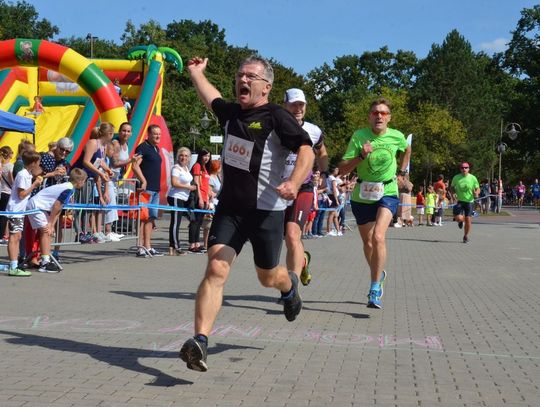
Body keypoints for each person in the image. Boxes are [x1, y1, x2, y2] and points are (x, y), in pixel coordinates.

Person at [179, 55, 314, 372]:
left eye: (250, 76)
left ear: (266, 86)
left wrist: (294, 182)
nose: (243, 80)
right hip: (230, 209)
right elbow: (210, 97)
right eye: (240, 74)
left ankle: (289, 286)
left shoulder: (277, 116)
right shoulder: (231, 114)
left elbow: (306, 149)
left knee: (268, 277)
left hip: (266, 212)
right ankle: (200, 341)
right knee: (216, 269)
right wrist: (196, 72)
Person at [339, 98, 411, 309]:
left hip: (387, 191)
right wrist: (361, 156)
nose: (379, 116)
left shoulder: (396, 136)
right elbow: (343, 169)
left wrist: (402, 172)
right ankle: (378, 275)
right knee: (368, 243)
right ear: (369, 116)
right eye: (375, 113)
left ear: (389, 117)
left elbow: (406, 149)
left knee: (379, 236)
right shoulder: (359, 136)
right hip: (363, 193)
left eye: (383, 113)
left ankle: (374, 288)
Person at [282, 88, 328, 286]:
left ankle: (291, 289)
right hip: (279, 188)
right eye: (293, 104)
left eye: (301, 105)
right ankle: (303, 261)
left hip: (304, 187)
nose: (298, 108)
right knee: (287, 240)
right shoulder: (276, 126)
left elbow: (322, 151)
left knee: (293, 236)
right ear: (285, 105)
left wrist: (323, 174)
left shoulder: (314, 130)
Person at [26, 168, 88, 273]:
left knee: (47, 231)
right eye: (84, 181)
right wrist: (49, 224)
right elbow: (56, 206)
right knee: (46, 232)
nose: (84, 183)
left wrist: (52, 225)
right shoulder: (68, 189)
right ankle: (45, 262)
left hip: (41, 207)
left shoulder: (68, 188)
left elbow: (59, 209)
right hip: (36, 206)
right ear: (80, 181)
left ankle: (44, 259)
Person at [5, 151, 42, 276]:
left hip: (19, 211)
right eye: (38, 162)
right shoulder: (22, 175)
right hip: (15, 210)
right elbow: (21, 194)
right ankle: (13, 266)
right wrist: (34, 185)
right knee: (14, 237)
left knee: (18, 237)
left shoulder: (27, 174)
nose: (39, 164)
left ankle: (15, 264)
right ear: (33, 163)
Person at [131, 124, 163, 257]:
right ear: (148, 134)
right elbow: (134, 165)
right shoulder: (142, 148)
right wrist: (143, 180)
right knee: (142, 218)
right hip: (146, 189)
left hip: (155, 189)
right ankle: (140, 246)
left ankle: (148, 246)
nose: (157, 136)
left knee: (150, 218)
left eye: (159, 134)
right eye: (155, 134)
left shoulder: (156, 148)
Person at [167, 147, 195, 256]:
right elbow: (174, 183)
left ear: (189, 158)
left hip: (183, 198)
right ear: (178, 157)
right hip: (175, 197)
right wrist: (188, 187)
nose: (184, 158)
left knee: (177, 223)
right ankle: (175, 247)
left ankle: (172, 247)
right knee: (175, 223)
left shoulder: (186, 168)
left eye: (186, 156)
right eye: (181, 155)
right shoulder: (176, 168)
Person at [450, 162, 480, 243]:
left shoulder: (473, 178)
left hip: (469, 201)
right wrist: (453, 194)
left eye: (466, 167)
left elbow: (477, 188)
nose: (464, 169)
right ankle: (460, 221)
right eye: (462, 168)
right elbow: (452, 187)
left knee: (468, 219)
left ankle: (465, 236)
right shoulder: (456, 177)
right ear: (460, 169)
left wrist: (476, 193)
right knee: (458, 218)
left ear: (468, 169)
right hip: (460, 201)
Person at [188, 149, 211, 253]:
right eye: (205, 156)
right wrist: (201, 198)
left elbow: (207, 185)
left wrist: (208, 198)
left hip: (205, 198)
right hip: (198, 197)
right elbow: (196, 183)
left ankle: (197, 243)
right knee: (194, 221)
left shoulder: (206, 168)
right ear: (200, 156)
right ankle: (192, 244)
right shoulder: (197, 166)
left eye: (208, 156)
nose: (206, 158)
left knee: (199, 222)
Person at [0, 146, 15, 243]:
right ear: (9, 154)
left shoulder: (2, 166)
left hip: (2, 191)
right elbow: (11, 180)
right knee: (6, 215)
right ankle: (3, 235)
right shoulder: (10, 166)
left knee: (2, 214)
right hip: (8, 192)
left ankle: (3, 234)